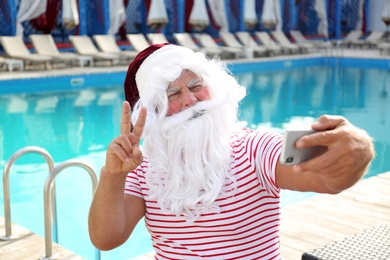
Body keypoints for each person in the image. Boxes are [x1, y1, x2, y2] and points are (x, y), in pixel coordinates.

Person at [88, 43, 375, 259]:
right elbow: (106, 239)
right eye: (173, 94)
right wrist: (112, 176)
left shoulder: (254, 148)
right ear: (155, 110)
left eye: (196, 85)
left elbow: (326, 178)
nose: (190, 100)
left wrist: (355, 151)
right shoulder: (142, 166)